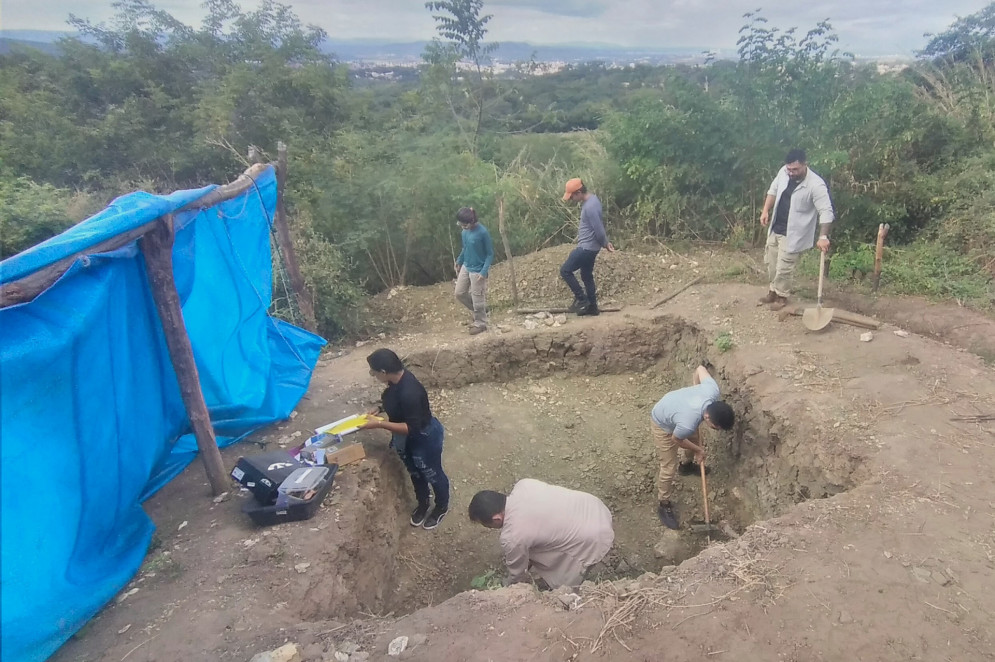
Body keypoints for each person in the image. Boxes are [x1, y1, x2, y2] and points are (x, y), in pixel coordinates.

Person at [361, 348, 450, 529]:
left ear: (383, 372)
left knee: (432, 473)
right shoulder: (395, 382)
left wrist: (379, 424)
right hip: (406, 439)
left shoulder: (410, 392)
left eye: (374, 371)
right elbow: (394, 402)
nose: (373, 375)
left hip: (423, 438)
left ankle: (441, 506)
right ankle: (423, 503)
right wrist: (379, 409)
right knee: (415, 471)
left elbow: (412, 428)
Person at [468, 479, 614, 589]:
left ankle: (569, 595)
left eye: (486, 525)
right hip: (595, 508)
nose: (489, 528)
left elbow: (518, 574)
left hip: (594, 537)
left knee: (564, 586)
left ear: (496, 519)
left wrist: (508, 587)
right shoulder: (524, 485)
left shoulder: (513, 536)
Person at [650, 363, 735, 530]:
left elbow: (700, 368)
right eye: (715, 427)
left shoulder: (712, 391)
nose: (715, 430)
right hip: (662, 422)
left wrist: (696, 388)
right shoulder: (688, 422)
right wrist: (699, 450)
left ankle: (687, 466)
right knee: (668, 466)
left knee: (694, 440)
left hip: (680, 411)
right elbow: (676, 439)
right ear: (708, 417)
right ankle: (663, 503)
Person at [758, 148, 835, 311]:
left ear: (804, 165)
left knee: (784, 268)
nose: (791, 173)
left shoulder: (816, 184)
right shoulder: (783, 173)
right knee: (771, 263)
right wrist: (765, 210)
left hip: (794, 234)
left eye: (795, 169)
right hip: (776, 227)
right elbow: (773, 191)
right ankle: (772, 291)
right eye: (789, 169)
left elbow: (826, 211)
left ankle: (782, 296)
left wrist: (823, 236)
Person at [560, 178, 615, 316]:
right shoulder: (592, 200)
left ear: (579, 192)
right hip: (591, 248)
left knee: (565, 271)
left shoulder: (590, 207)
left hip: (586, 248)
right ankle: (593, 308)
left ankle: (582, 300)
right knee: (586, 276)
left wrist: (605, 243)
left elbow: (599, 229)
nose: (571, 199)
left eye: (572, 196)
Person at [453, 206, 494, 335]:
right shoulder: (464, 232)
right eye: (461, 225)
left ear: (471, 222)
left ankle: (481, 323)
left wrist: (484, 271)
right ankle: (480, 311)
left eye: (464, 225)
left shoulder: (482, 232)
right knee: (459, 293)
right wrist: (459, 261)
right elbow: (465, 248)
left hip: (478, 269)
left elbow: (490, 254)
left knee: (478, 298)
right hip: (466, 265)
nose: (462, 227)